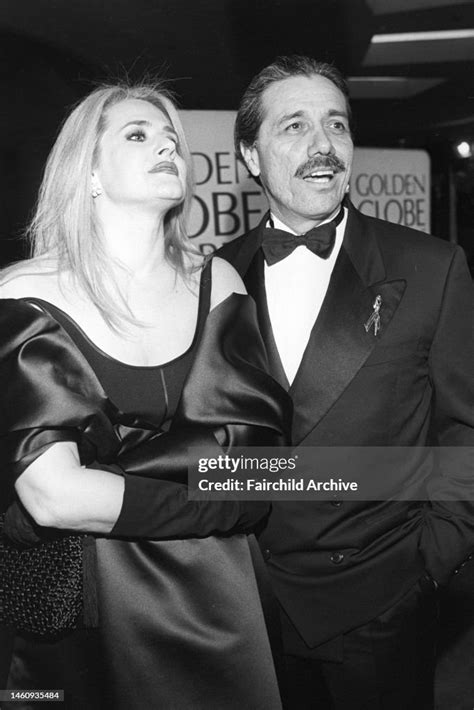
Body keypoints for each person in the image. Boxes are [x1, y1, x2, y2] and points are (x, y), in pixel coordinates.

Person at [0, 82, 291, 709]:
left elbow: (258, 460)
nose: (166, 146)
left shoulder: (220, 282)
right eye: (138, 134)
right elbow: (52, 496)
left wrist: (107, 479)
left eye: (172, 140)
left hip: (219, 599)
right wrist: (216, 499)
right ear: (91, 172)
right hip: (81, 608)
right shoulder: (19, 295)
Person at [219, 55, 474, 709]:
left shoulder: (431, 268)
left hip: (381, 604)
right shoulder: (213, 278)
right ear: (251, 157)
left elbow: (464, 428)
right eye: (295, 127)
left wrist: (428, 560)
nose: (322, 146)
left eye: (336, 124)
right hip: (249, 602)